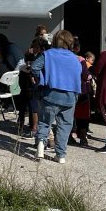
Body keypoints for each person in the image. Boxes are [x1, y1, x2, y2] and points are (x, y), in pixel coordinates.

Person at [31, 30, 83, 163]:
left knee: (44, 121)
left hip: (51, 93)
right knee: (65, 126)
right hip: (70, 96)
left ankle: (41, 146)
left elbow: (34, 68)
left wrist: (42, 79)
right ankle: (61, 155)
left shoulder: (47, 54)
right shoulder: (75, 58)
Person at [72, 47, 94, 147]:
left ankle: (71, 135)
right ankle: (82, 138)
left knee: (72, 114)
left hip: (72, 90)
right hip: (83, 91)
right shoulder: (81, 61)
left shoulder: (69, 58)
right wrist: (90, 76)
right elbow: (85, 75)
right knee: (83, 116)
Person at [16, 50, 37, 137]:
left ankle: (20, 127)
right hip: (31, 91)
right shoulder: (35, 69)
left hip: (24, 91)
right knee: (32, 110)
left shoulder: (22, 68)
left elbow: (20, 82)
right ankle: (32, 128)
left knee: (23, 110)